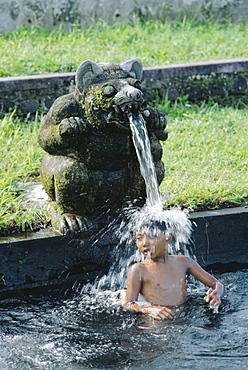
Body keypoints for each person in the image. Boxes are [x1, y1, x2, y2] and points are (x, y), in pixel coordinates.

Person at [124, 220, 225, 320]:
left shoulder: (183, 262)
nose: (144, 243)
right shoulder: (139, 269)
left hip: (186, 318)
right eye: (139, 238)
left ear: (168, 237)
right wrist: (149, 309)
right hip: (156, 323)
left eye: (151, 236)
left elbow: (217, 284)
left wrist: (217, 295)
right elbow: (128, 305)